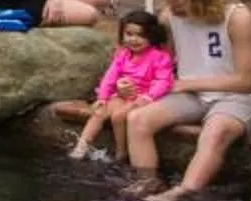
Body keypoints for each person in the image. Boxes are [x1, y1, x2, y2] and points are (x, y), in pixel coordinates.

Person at [123, 0, 251, 201]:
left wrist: (187, 84)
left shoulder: (238, 18)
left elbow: (246, 82)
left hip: (238, 97)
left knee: (215, 132)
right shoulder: (170, 17)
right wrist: (136, 86)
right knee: (138, 119)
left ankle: (182, 193)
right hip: (191, 95)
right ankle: (148, 181)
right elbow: (162, 64)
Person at [72, 11, 175, 160]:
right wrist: (102, 97)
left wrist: (148, 97)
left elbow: (164, 80)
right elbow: (110, 76)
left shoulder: (159, 57)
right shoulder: (124, 54)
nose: (134, 39)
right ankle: (81, 147)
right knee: (99, 112)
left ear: (152, 36)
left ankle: (121, 152)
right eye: (129, 34)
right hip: (122, 95)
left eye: (140, 35)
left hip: (143, 97)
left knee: (118, 116)